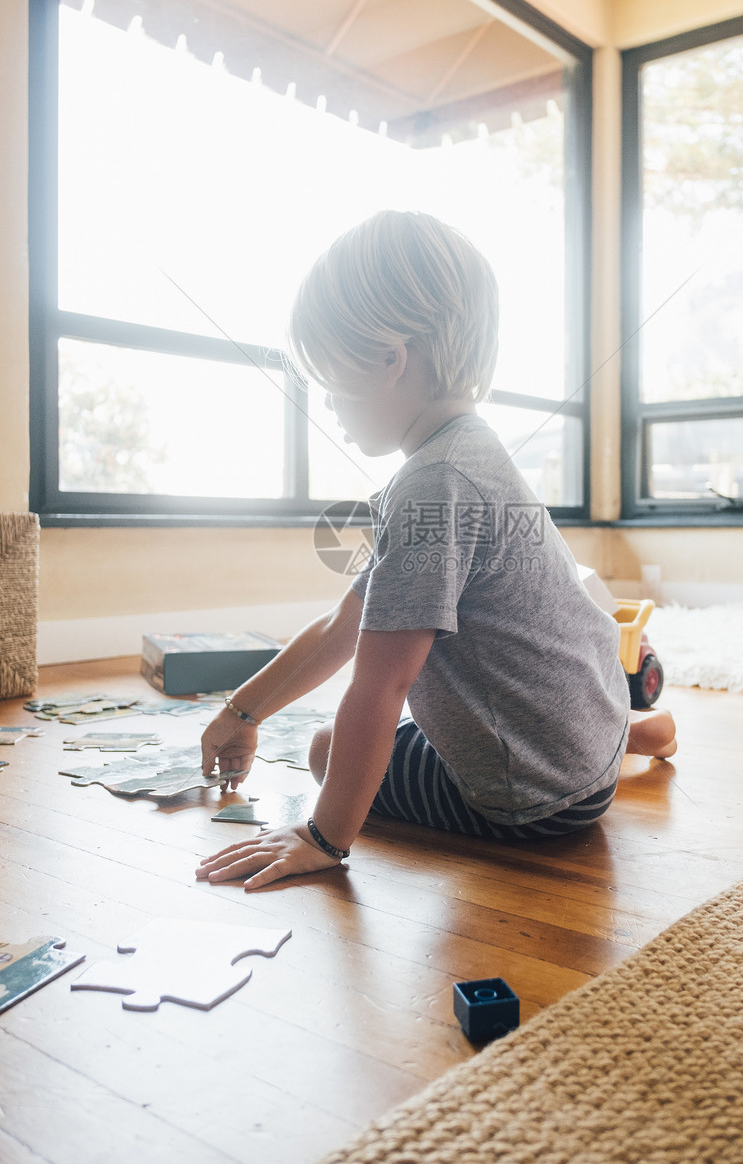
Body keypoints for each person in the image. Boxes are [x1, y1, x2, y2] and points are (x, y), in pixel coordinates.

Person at [196, 211, 676, 892]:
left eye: (331, 380)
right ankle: (634, 735)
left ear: (390, 361)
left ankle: (607, 756)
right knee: (364, 740)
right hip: (578, 736)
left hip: (533, 800)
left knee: (326, 750)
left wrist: (324, 836)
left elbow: (382, 683)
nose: (328, 404)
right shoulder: (466, 453)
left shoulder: (434, 483)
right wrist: (240, 711)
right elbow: (346, 622)